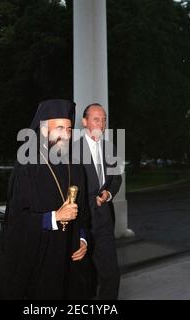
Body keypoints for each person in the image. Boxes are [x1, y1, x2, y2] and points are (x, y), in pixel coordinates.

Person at [0, 99, 93, 300]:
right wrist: (53, 217)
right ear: (43, 130)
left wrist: (83, 238)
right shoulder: (27, 168)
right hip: (41, 260)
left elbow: (84, 213)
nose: (66, 134)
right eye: (59, 128)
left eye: (69, 128)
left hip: (70, 258)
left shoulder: (75, 167)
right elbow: (15, 222)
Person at [74, 103, 122, 300]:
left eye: (104, 120)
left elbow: (116, 178)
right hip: (80, 219)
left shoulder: (110, 148)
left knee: (110, 274)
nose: (101, 124)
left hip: (103, 219)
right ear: (85, 122)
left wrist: (108, 193)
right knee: (83, 278)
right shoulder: (71, 150)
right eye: (96, 119)